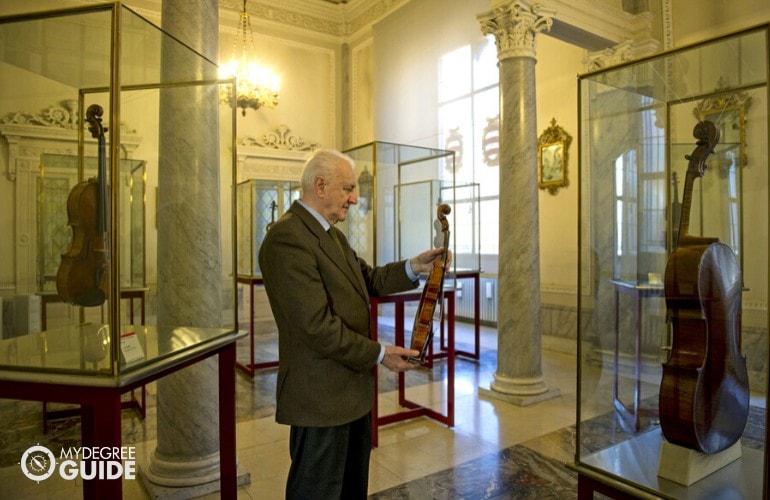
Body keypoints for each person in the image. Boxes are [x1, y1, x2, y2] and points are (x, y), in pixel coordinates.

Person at [258, 148, 448, 499]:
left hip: (351, 392)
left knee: (350, 489)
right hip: (321, 398)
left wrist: (413, 267)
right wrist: (379, 354)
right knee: (317, 491)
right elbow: (316, 327)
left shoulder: (330, 233)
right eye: (347, 188)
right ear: (320, 185)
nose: (355, 198)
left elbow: (369, 278)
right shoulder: (288, 238)